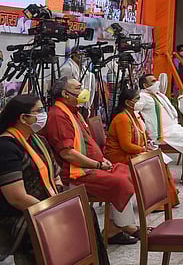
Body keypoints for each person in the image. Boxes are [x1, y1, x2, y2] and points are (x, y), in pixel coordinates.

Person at [0, 95, 111, 265]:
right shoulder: (6, 147)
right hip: (21, 215)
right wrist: (51, 211)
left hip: (46, 202)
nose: (43, 114)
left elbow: (55, 175)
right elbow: (17, 197)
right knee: (70, 222)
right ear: (23, 118)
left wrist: (58, 197)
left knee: (86, 212)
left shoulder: (38, 140)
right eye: (39, 111)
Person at [42, 77, 140, 245]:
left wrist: (102, 160)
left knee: (127, 172)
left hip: (93, 165)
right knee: (119, 182)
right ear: (65, 94)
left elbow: (87, 143)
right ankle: (125, 225)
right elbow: (67, 153)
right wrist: (97, 164)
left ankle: (112, 229)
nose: (83, 91)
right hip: (77, 172)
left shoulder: (74, 112)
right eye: (78, 88)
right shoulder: (58, 115)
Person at [105, 87, 179, 207]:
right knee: (154, 162)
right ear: (128, 102)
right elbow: (126, 146)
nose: (140, 101)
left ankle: (166, 196)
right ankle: (157, 201)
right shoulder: (122, 118)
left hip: (132, 152)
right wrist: (143, 150)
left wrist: (147, 146)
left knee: (159, 159)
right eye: (137, 99)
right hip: (120, 156)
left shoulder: (133, 115)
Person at [135, 74, 183, 184]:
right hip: (162, 132)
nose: (157, 82)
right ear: (145, 85)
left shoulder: (158, 95)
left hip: (173, 128)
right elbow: (134, 110)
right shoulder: (143, 97)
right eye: (153, 81)